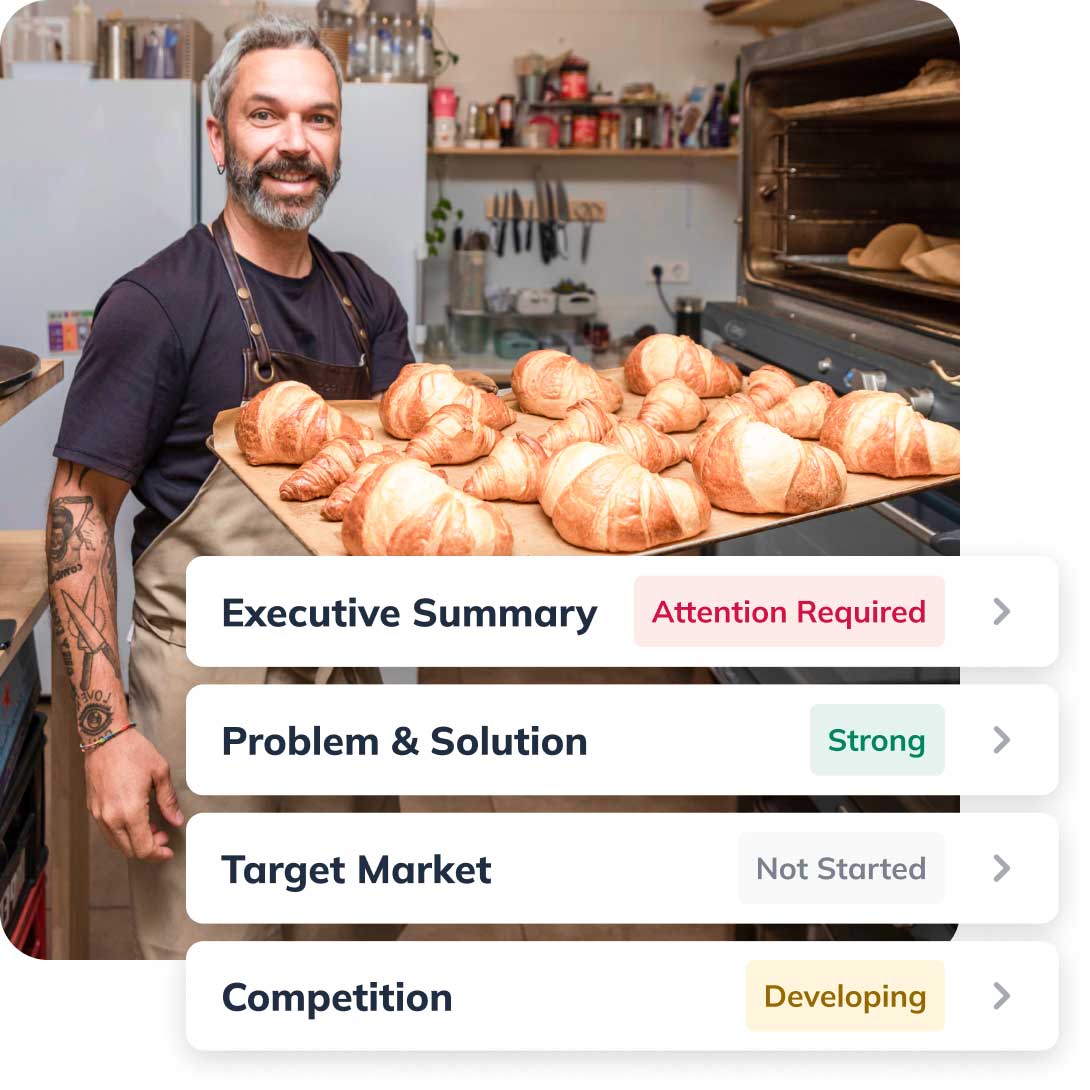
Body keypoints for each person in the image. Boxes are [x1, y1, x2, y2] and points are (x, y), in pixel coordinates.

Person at [46, 15, 407, 959]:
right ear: (219, 138)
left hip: (343, 682)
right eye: (266, 115)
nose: (295, 143)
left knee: (346, 950)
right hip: (205, 692)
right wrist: (104, 733)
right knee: (215, 970)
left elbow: (401, 489)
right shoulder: (157, 304)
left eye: (319, 119)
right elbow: (79, 513)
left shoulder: (367, 301)